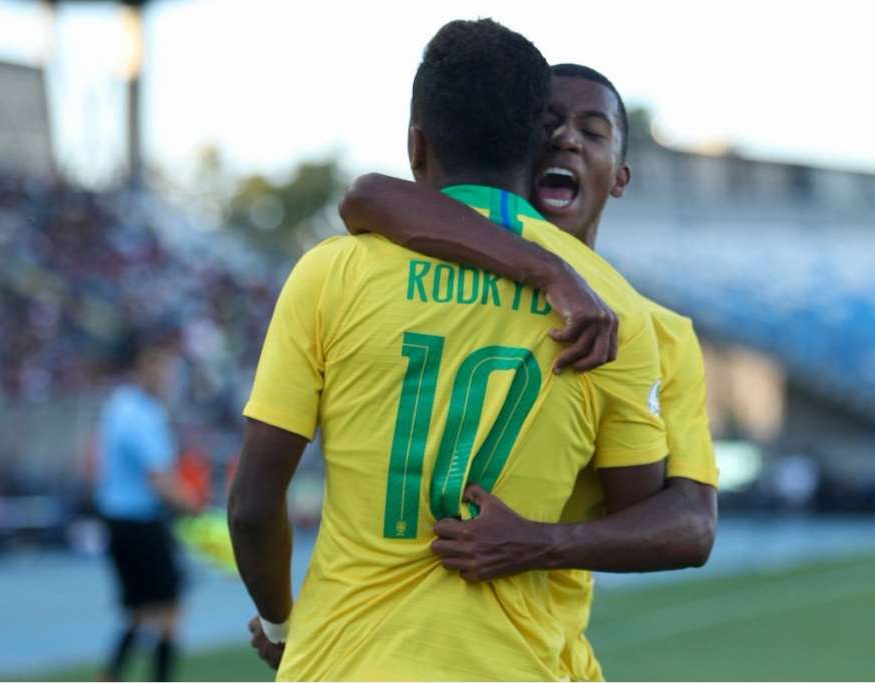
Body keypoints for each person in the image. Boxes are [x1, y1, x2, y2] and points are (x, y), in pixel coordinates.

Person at [228, 18, 671, 681]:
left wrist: (282, 622)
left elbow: (254, 506)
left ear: (416, 144)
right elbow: (642, 507)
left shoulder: (331, 273)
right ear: (535, 145)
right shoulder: (609, 308)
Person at [339, 63, 719, 679]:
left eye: (592, 131)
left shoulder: (657, 332)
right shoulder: (432, 272)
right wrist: (549, 271)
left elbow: (693, 526)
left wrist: (540, 541)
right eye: (547, 125)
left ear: (619, 177)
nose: (567, 137)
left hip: (536, 650)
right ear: (514, 149)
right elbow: (365, 194)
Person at [95, 327, 199, 682]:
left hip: (116, 522)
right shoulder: (143, 414)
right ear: (143, 366)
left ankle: (108, 676)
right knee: (170, 612)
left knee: (137, 614)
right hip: (141, 524)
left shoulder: (117, 405)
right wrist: (194, 506)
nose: (165, 374)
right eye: (159, 365)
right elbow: (160, 480)